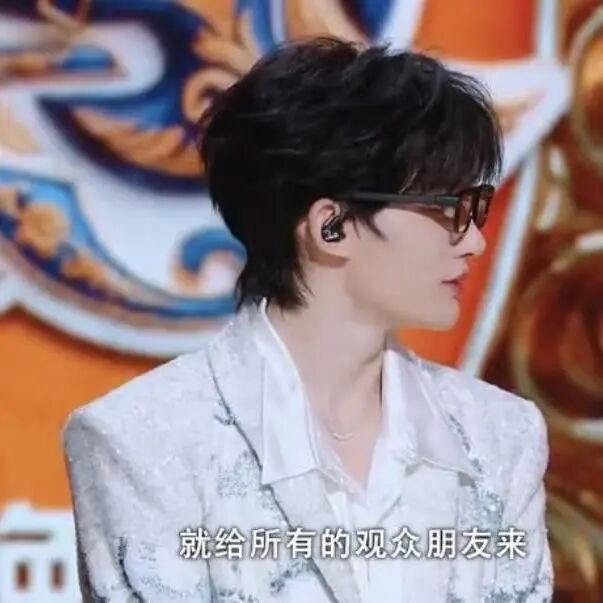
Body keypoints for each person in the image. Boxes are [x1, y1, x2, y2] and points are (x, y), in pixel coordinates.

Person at [62, 36, 553, 602]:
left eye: (476, 208)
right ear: (331, 226)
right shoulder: (140, 441)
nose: (473, 241)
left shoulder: (501, 436)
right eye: (450, 210)